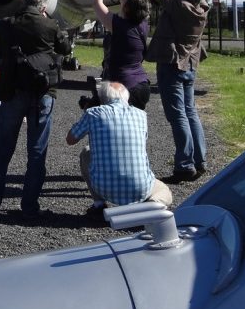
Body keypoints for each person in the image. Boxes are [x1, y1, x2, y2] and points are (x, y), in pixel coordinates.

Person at [0, 0, 71, 219]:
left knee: (2, 150)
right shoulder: (50, 25)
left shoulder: (7, 25)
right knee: (37, 151)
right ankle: (29, 206)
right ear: (42, 6)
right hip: (42, 91)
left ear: (23, 4)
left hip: (12, 90)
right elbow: (65, 50)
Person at [143, 0, 210, 182]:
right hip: (190, 64)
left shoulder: (176, 6)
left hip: (172, 64)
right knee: (190, 112)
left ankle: (184, 164)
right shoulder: (201, 7)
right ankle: (200, 160)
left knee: (177, 116)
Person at [65, 81, 172, 217]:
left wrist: (86, 112)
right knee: (165, 192)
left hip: (103, 188)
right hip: (140, 188)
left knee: (86, 152)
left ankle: (99, 204)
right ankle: (149, 207)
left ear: (102, 98)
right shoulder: (141, 115)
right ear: (126, 97)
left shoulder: (92, 114)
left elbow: (70, 140)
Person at [92, 0, 151, 110]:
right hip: (141, 85)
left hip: (123, 89)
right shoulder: (142, 23)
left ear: (126, 8)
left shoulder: (118, 26)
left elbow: (97, 3)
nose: (121, 0)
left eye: (123, 2)